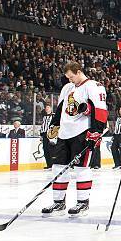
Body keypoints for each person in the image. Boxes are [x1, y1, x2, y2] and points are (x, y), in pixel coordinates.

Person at [42, 61, 108, 217]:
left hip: (82, 133)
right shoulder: (67, 88)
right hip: (64, 134)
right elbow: (60, 110)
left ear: (79, 72)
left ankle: (82, 203)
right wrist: (54, 125)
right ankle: (58, 203)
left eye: (71, 77)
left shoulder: (93, 86)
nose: (70, 80)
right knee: (58, 167)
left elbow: (100, 110)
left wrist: (95, 132)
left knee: (81, 169)